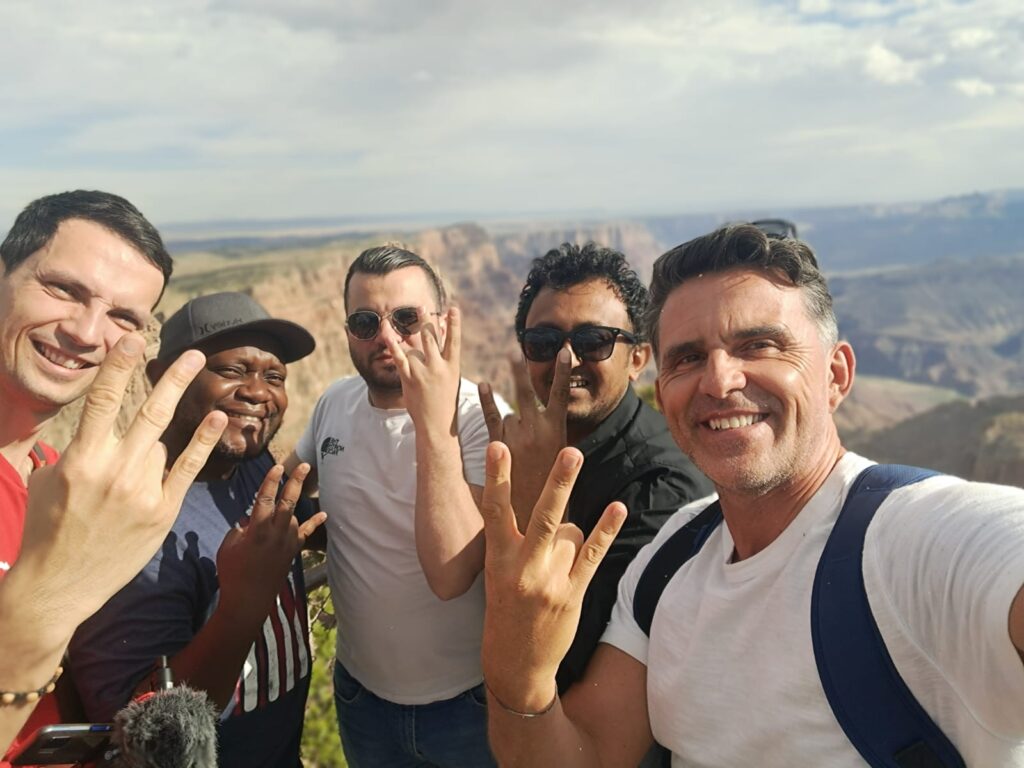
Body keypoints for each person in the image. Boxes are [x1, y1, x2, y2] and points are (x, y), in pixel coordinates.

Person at [478, 224, 1024, 766]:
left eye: (758, 345)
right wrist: (518, 676)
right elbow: (585, 757)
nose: (719, 380)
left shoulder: (914, 540)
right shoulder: (670, 559)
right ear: (664, 395)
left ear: (836, 375)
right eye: (688, 357)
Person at [0, 191, 228, 757]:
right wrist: (50, 595)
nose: (85, 331)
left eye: (124, 317)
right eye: (63, 289)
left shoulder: (67, 484)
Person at [69, 292, 325, 768]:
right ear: (161, 378)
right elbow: (137, 736)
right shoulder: (132, 516)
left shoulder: (248, 461)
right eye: (231, 371)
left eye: (275, 377)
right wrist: (242, 604)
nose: (258, 392)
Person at [285, 245, 507, 768]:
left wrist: (433, 423)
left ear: (443, 325)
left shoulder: (482, 418)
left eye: (406, 318)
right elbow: (287, 486)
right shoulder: (332, 405)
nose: (387, 337)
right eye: (366, 321)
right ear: (347, 333)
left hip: (465, 704)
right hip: (362, 697)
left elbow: (452, 573)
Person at [479, 242, 711, 692]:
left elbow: (573, 657)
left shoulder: (661, 487)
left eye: (593, 341)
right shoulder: (527, 446)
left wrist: (534, 496)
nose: (566, 359)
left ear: (638, 359)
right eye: (544, 342)